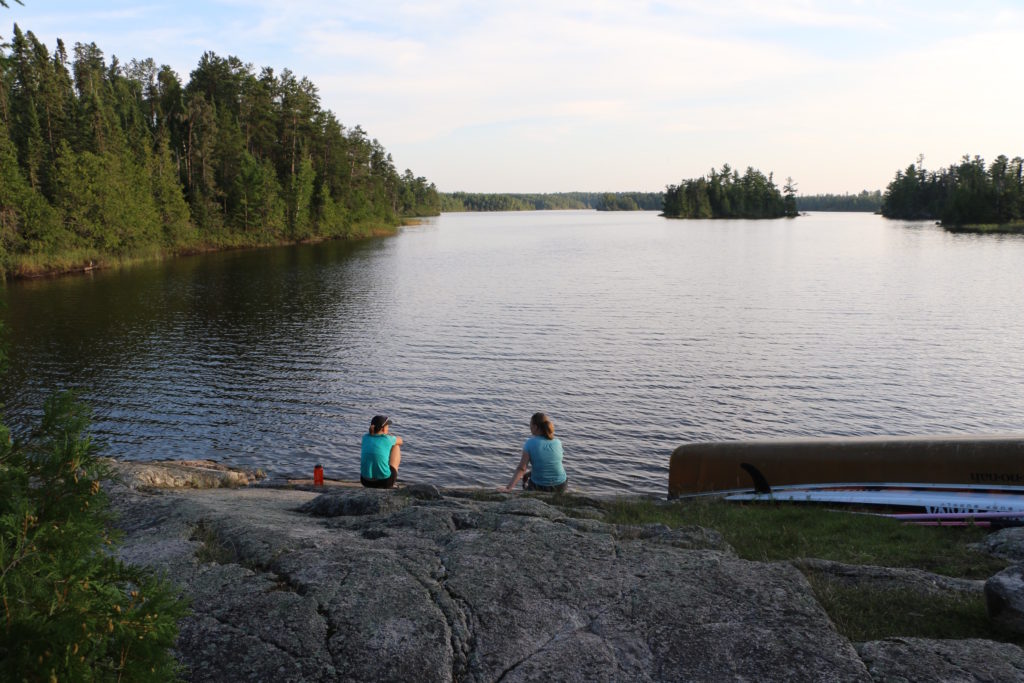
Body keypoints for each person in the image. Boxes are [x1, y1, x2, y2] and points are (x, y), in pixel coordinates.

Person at [501, 412, 568, 493]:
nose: (529, 427)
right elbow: (548, 464)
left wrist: (508, 488)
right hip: (561, 485)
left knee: (528, 486)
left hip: (540, 486)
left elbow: (522, 468)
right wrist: (529, 474)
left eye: (530, 424)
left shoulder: (530, 443)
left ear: (535, 427)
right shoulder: (557, 442)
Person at [361, 415, 403, 488]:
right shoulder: (388, 439)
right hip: (384, 482)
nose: (388, 428)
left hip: (365, 481)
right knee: (396, 446)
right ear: (383, 429)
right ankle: (392, 483)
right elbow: (401, 441)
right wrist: (389, 436)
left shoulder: (365, 437)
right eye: (387, 426)